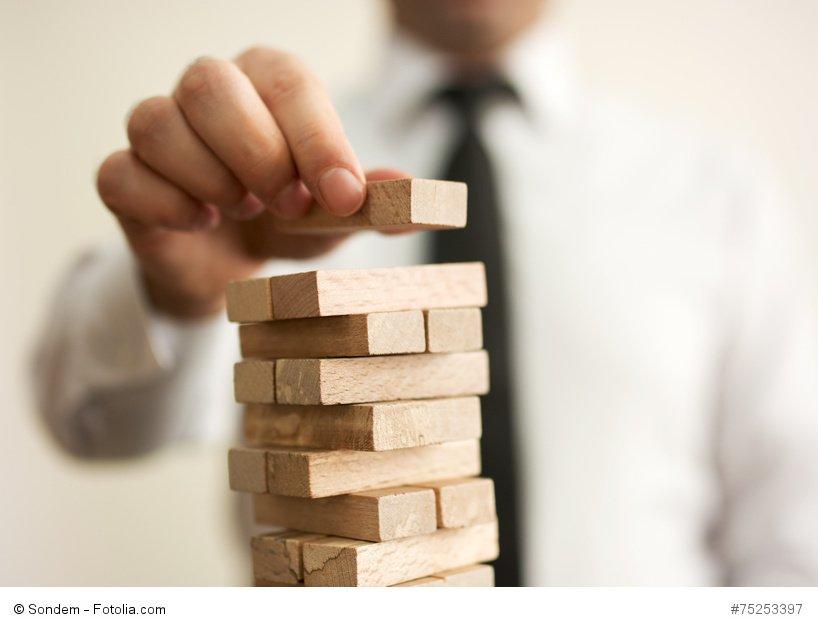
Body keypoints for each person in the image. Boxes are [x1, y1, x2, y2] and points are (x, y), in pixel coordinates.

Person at [31, 0, 818, 586]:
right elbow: (87, 419)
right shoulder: (257, 163)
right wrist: (179, 293)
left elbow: (793, 543)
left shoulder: (717, 189)